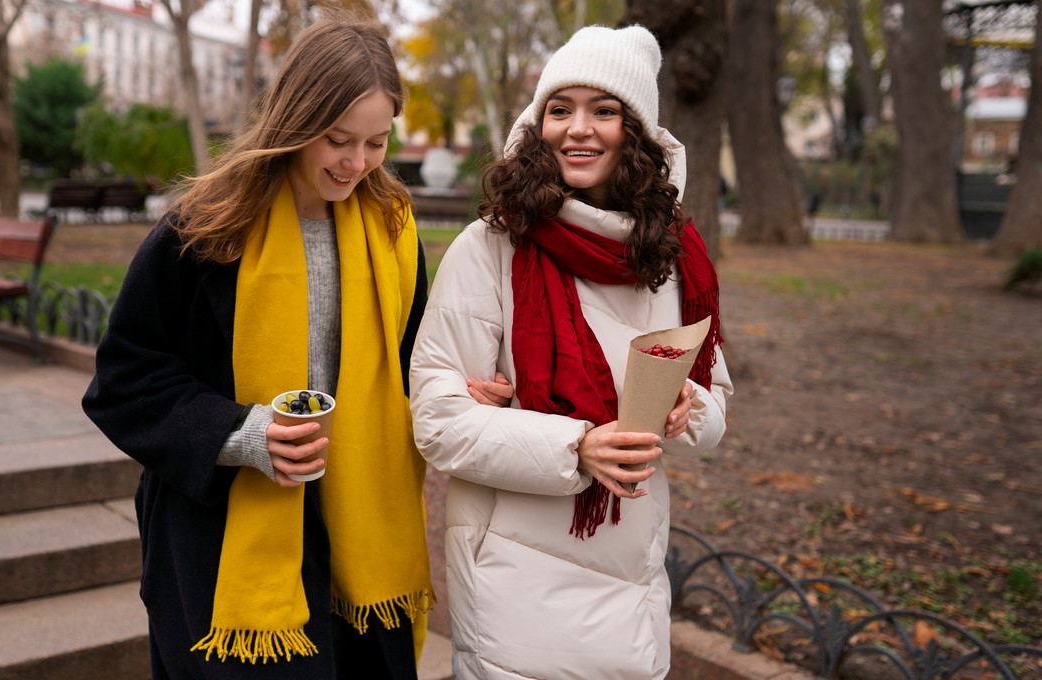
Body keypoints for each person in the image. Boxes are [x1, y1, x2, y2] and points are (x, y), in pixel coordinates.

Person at [83, 19, 437, 679]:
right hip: (222, 538)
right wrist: (246, 433)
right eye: (337, 139)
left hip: (362, 529)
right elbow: (125, 380)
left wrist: (458, 389)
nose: (355, 163)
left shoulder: (394, 232)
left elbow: (417, 362)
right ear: (295, 120)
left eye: (376, 142)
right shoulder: (203, 229)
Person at [409, 25, 733, 679]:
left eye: (604, 110)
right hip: (514, 572)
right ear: (538, 123)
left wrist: (687, 405)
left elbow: (715, 405)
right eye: (561, 109)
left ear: (635, 132)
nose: (578, 128)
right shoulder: (492, 246)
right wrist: (575, 448)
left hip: (632, 567)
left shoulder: (674, 256)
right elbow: (439, 421)